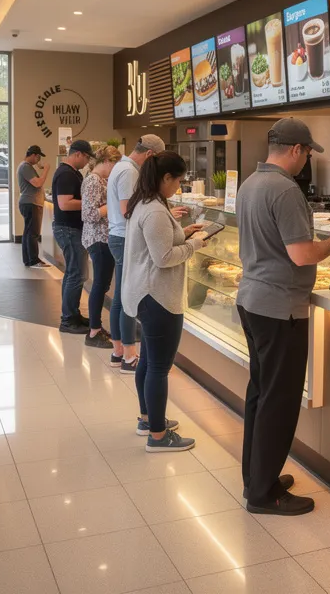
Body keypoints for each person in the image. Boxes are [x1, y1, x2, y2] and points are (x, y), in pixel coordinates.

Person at [236, 118, 330, 516]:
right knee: (280, 402)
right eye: (307, 153)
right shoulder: (285, 190)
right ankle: (264, 493)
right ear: (296, 150)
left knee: (260, 394)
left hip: (252, 300)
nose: (306, 161)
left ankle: (256, 477)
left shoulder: (251, 183)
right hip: (280, 307)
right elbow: (302, 255)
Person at [120, 151, 207, 452]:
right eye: (178, 181)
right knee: (158, 367)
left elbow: (156, 244)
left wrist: (184, 233)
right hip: (157, 296)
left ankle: (148, 419)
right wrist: (194, 244)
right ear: (165, 178)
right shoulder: (155, 210)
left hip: (145, 293)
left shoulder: (146, 202)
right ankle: (157, 435)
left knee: (148, 360)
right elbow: (163, 257)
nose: (179, 187)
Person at [106, 134, 182, 371]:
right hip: (122, 237)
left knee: (122, 294)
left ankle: (120, 350)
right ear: (150, 155)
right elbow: (127, 208)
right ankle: (127, 352)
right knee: (124, 295)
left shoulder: (121, 166)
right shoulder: (130, 173)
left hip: (118, 235)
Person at [52, 140, 95, 336]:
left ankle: (73, 314)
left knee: (74, 273)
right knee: (77, 274)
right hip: (68, 229)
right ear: (77, 154)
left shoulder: (72, 173)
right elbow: (65, 204)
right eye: (86, 157)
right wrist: (91, 204)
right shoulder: (66, 174)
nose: (86, 162)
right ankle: (68, 319)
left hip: (72, 229)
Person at [82, 145, 121, 346]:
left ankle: (96, 326)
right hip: (99, 239)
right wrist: (113, 205)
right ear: (106, 161)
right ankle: (94, 331)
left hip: (104, 238)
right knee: (99, 285)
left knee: (102, 284)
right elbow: (88, 215)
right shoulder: (93, 181)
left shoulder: (100, 180)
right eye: (115, 164)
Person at [18, 145, 50, 268]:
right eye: (38, 157)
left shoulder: (26, 167)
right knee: (33, 233)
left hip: (30, 202)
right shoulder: (25, 167)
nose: (38, 160)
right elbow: (38, 183)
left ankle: (29, 260)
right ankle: (33, 260)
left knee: (28, 232)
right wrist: (46, 169)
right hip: (31, 203)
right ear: (33, 155)